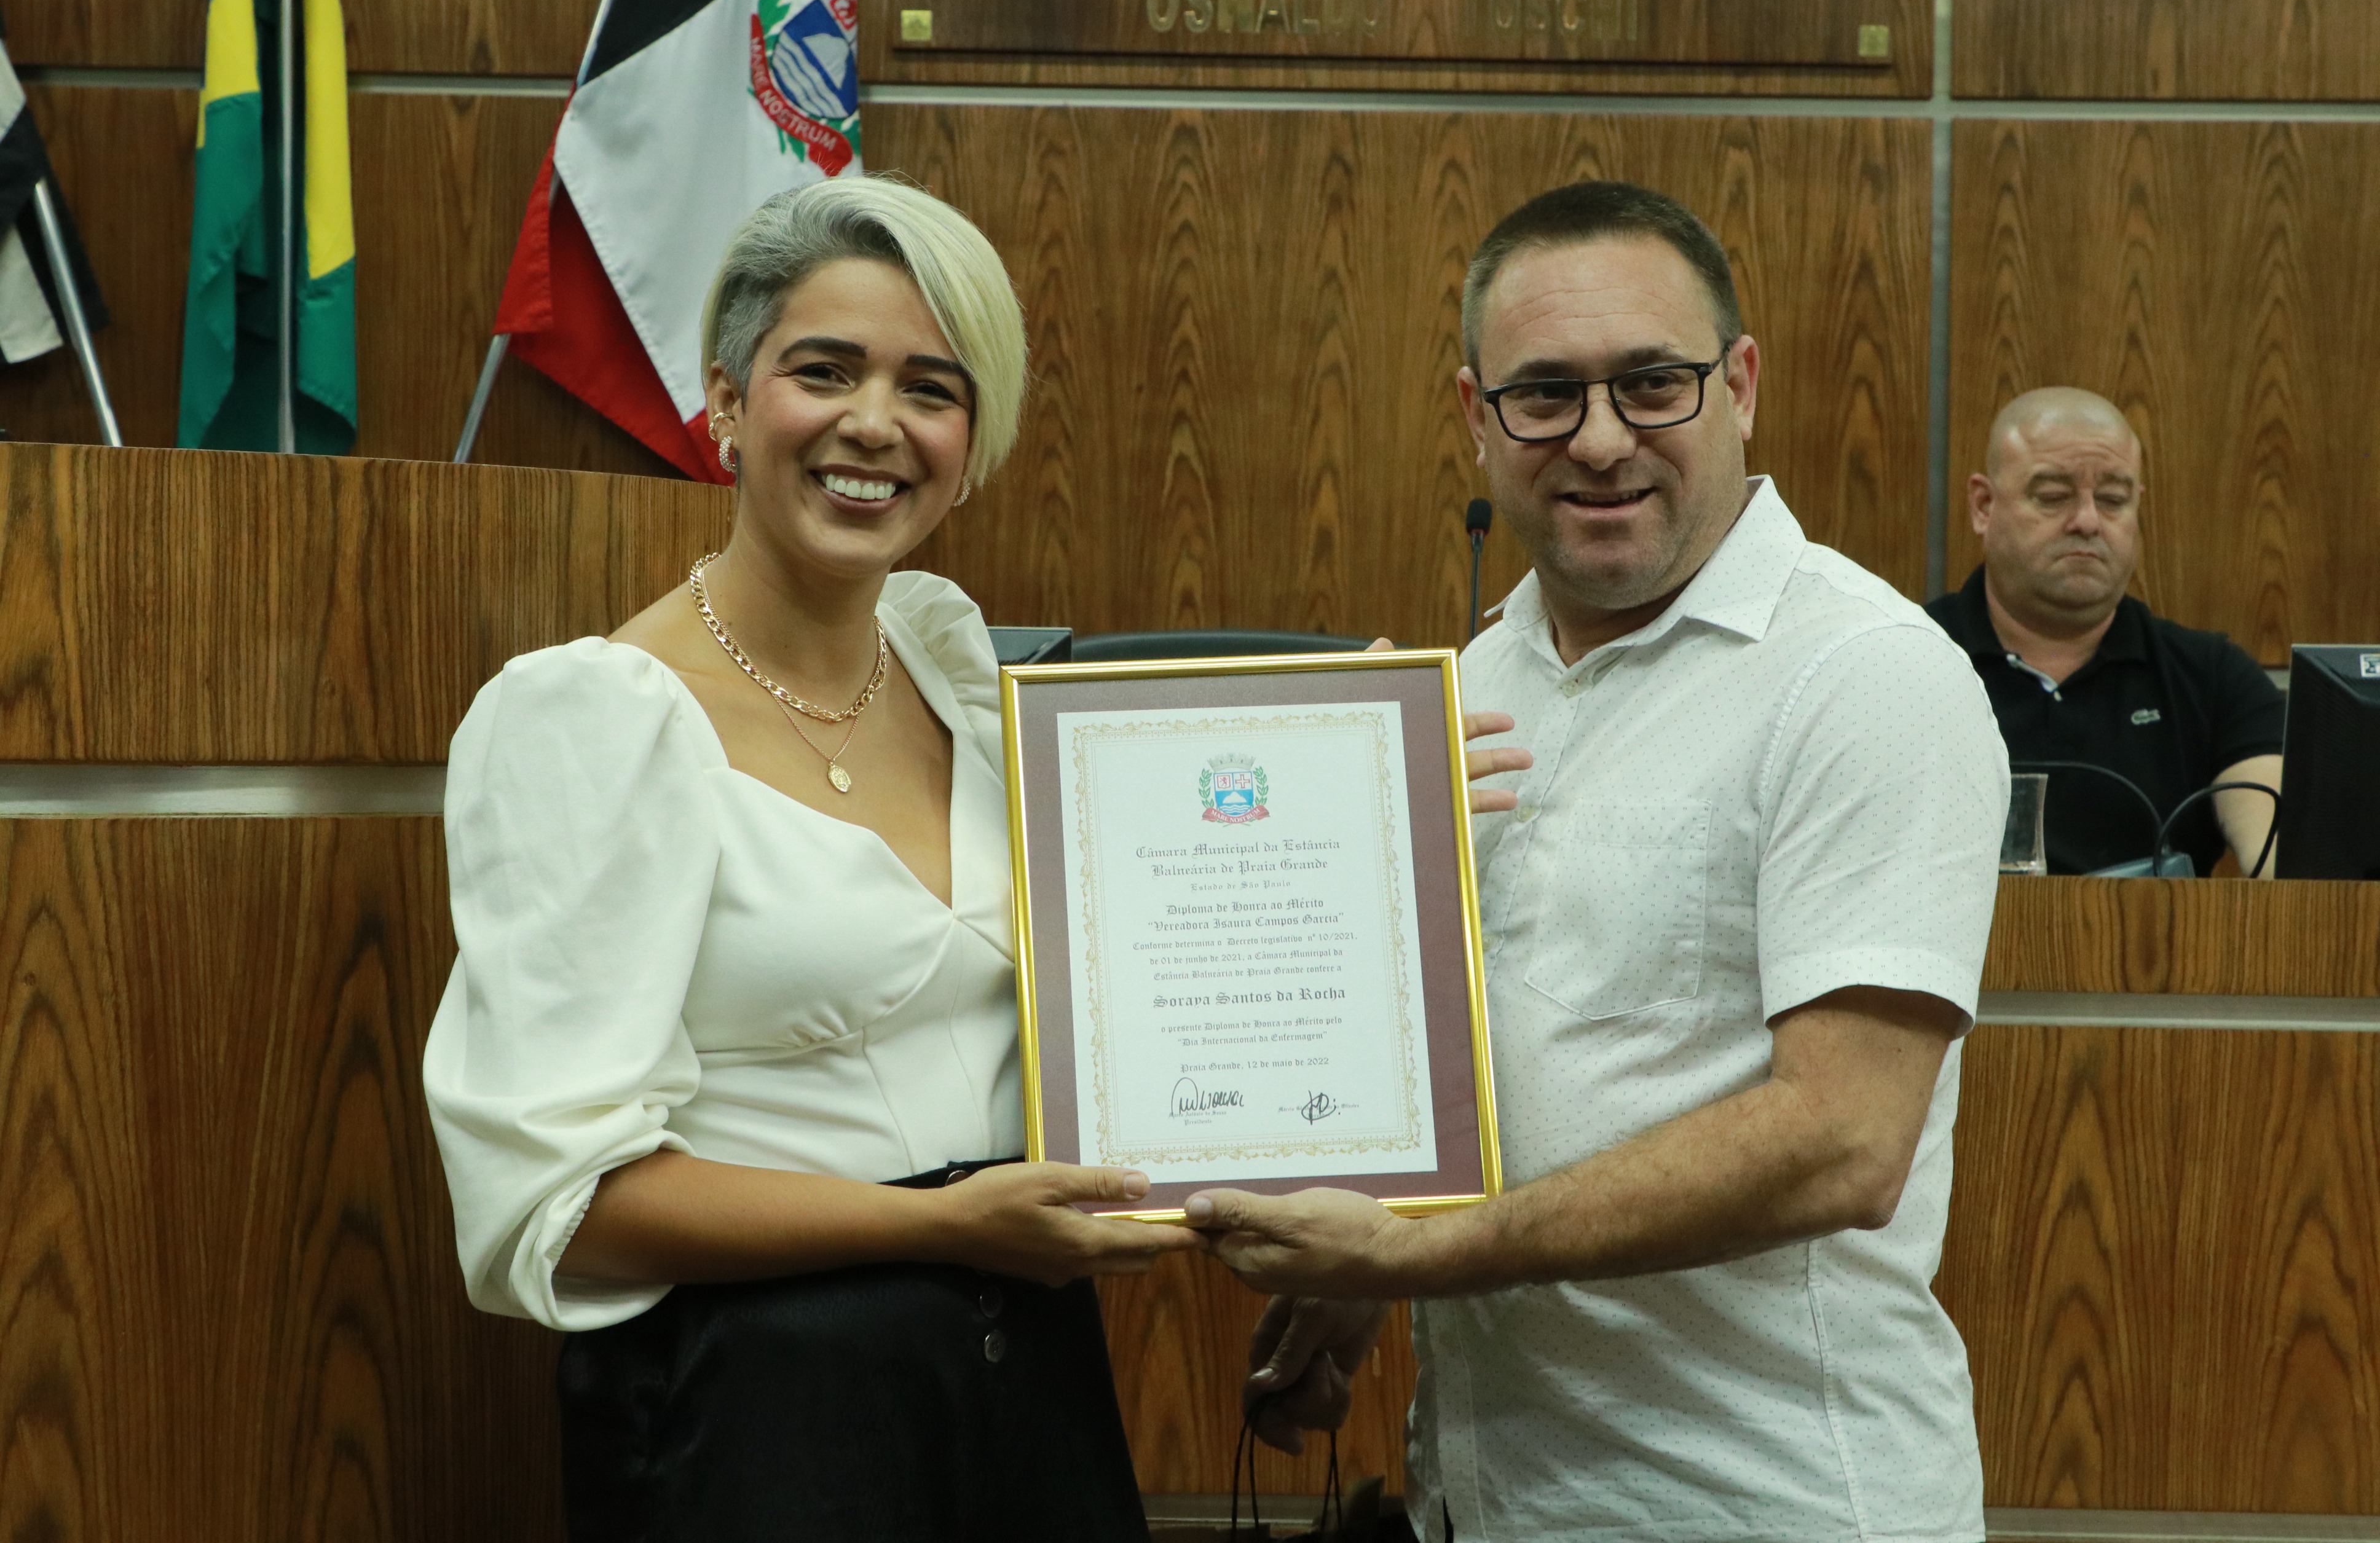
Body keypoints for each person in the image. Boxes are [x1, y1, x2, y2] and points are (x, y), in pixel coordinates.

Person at [1182, 181, 2011, 1541]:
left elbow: (1841, 1143)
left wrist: (1419, 1253)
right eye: (1546, 395)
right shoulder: (1473, 683)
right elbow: (1508, 1062)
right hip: (1488, 1497)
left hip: (1763, 1503)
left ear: (1740, 385)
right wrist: (1369, 1259)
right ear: (1476, 416)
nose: (1602, 438)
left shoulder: (1863, 678)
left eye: (1651, 383)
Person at [422, 175, 1204, 1542]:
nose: (874, 424)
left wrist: (1359, 769)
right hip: (761, 1408)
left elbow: (1146, 945)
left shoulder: (961, 679)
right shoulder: (592, 717)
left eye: (929, 389)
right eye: (825, 371)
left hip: (1030, 1373)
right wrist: (944, 1228)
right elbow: (564, 1206)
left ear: (972, 441)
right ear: (728, 403)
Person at [1926, 387, 2283, 876]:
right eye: (2053, 497)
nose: (2088, 521)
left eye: (2114, 499)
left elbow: (2292, 869)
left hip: (2155, 929)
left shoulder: (2211, 678)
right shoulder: (1906, 659)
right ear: (1983, 506)